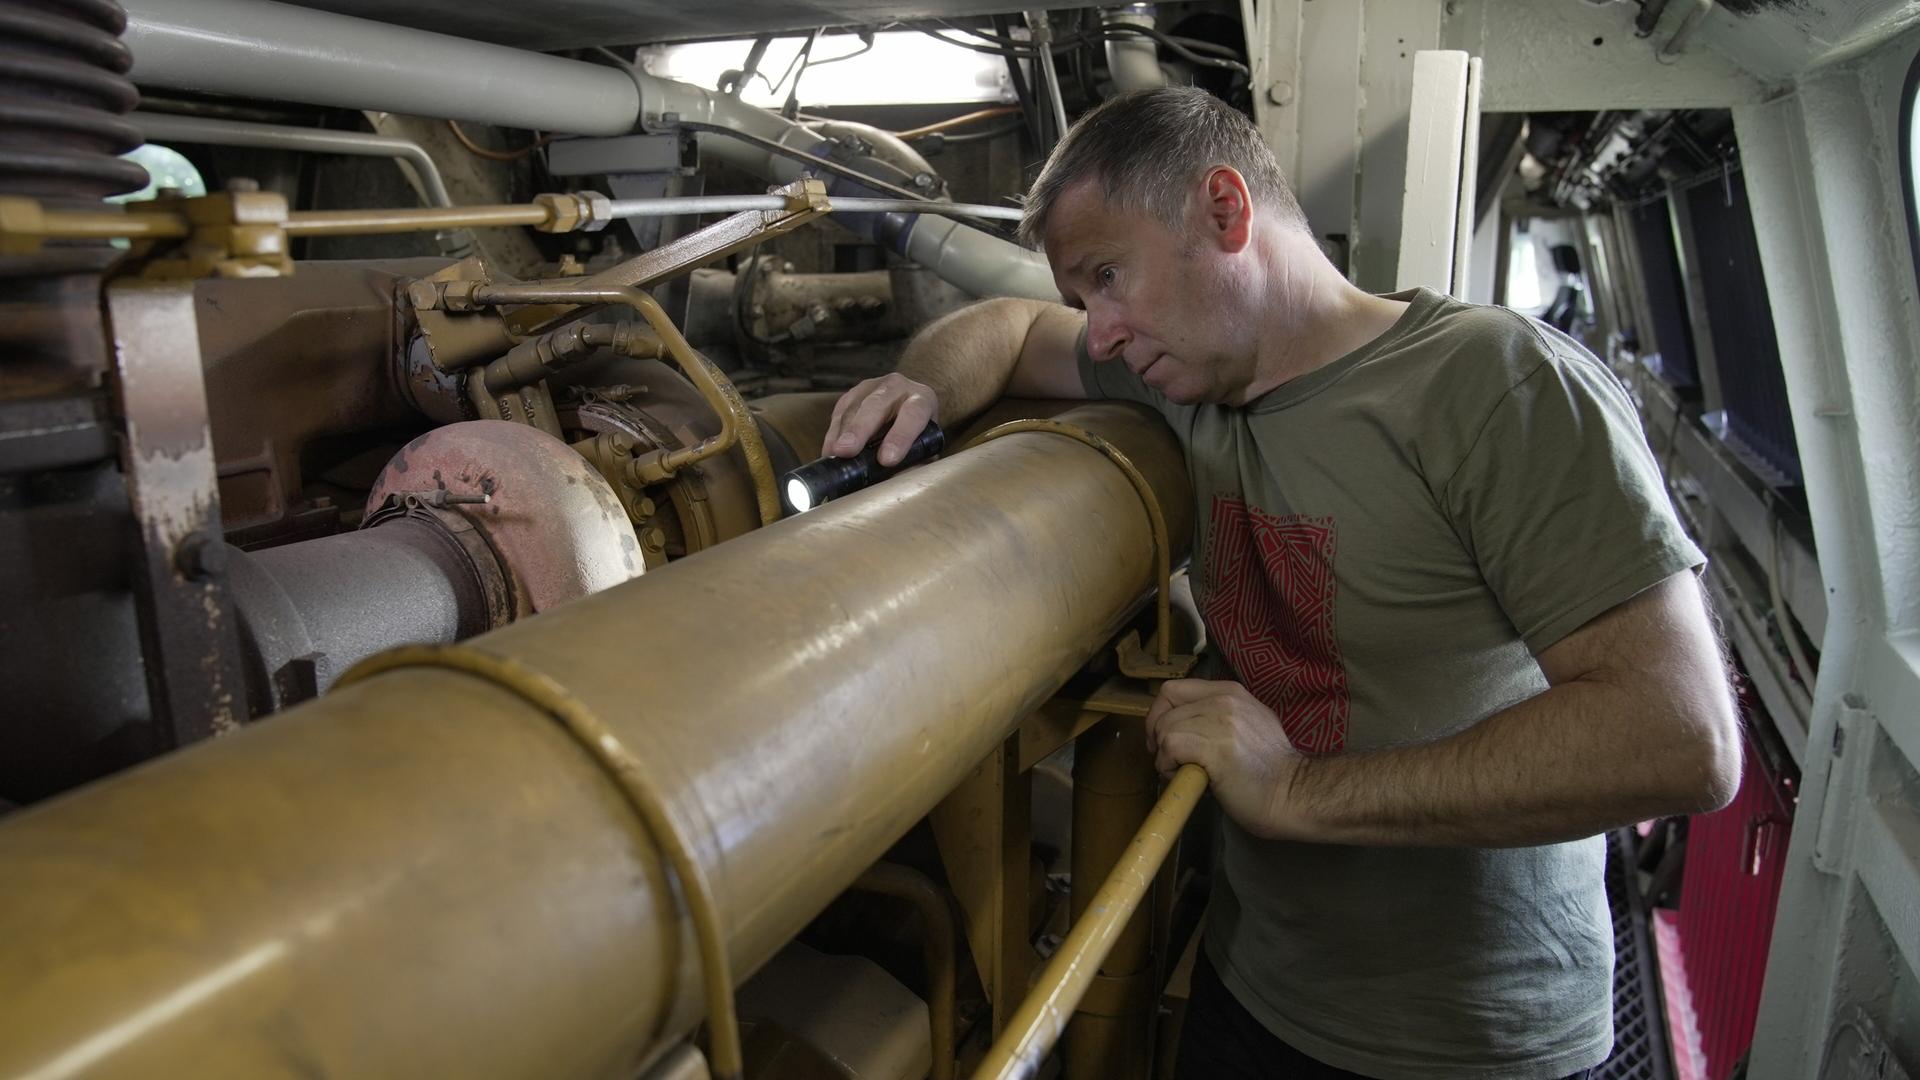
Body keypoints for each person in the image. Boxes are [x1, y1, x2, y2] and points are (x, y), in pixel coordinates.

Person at [821, 87, 1739, 1079]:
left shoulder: (1492, 386)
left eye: (1109, 277)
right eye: (1086, 300)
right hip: (1254, 987)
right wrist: (916, 388)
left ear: (1225, 210)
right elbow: (1003, 325)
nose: (1104, 331)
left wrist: (1301, 790)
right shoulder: (1187, 376)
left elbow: (1678, 736)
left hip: (1469, 1042)